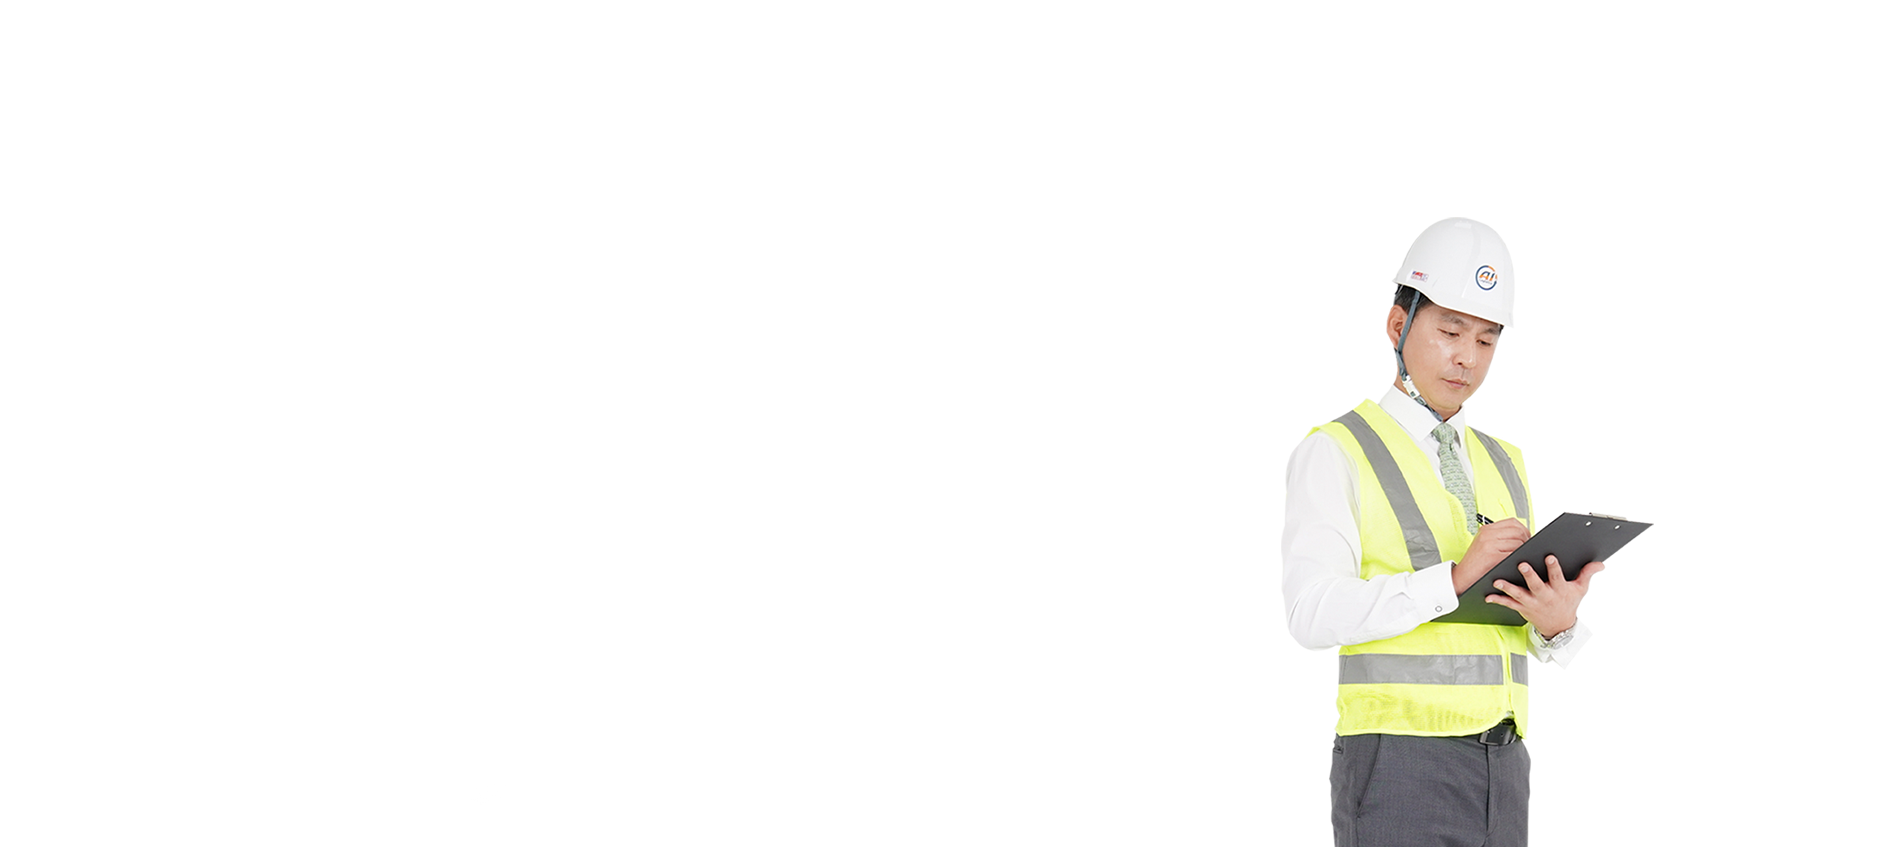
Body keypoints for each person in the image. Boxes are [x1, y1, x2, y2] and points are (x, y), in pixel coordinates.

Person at [1282, 219, 1605, 847]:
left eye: (1486, 339)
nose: (1467, 357)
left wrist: (1555, 624)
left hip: (1503, 762)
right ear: (1398, 326)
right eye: (1450, 332)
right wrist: (1451, 580)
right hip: (1397, 762)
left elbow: (1502, 625)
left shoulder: (1498, 462)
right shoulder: (1338, 450)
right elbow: (1305, 611)